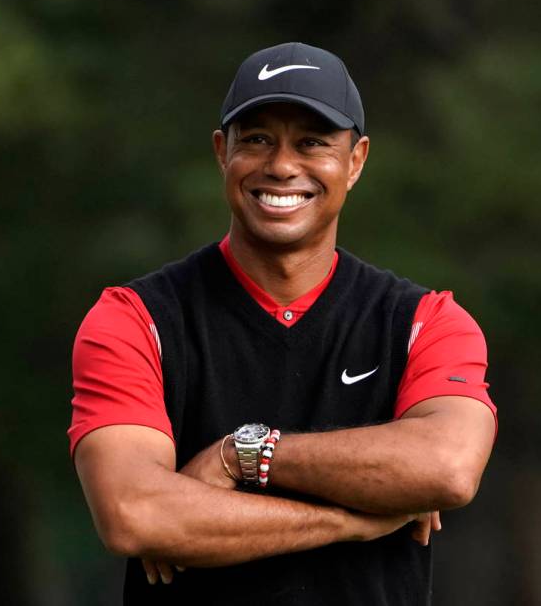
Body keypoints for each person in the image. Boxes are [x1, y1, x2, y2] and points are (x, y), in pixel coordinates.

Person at [68, 42, 497, 605]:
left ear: (356, 160)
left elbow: (447, 467)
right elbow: (135, 512)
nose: (282, 165)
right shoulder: (134, 319)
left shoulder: (426, 321)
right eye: (258, 139)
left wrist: (244, 454)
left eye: (313, 142)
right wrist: (353, 519)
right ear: (222, 152)